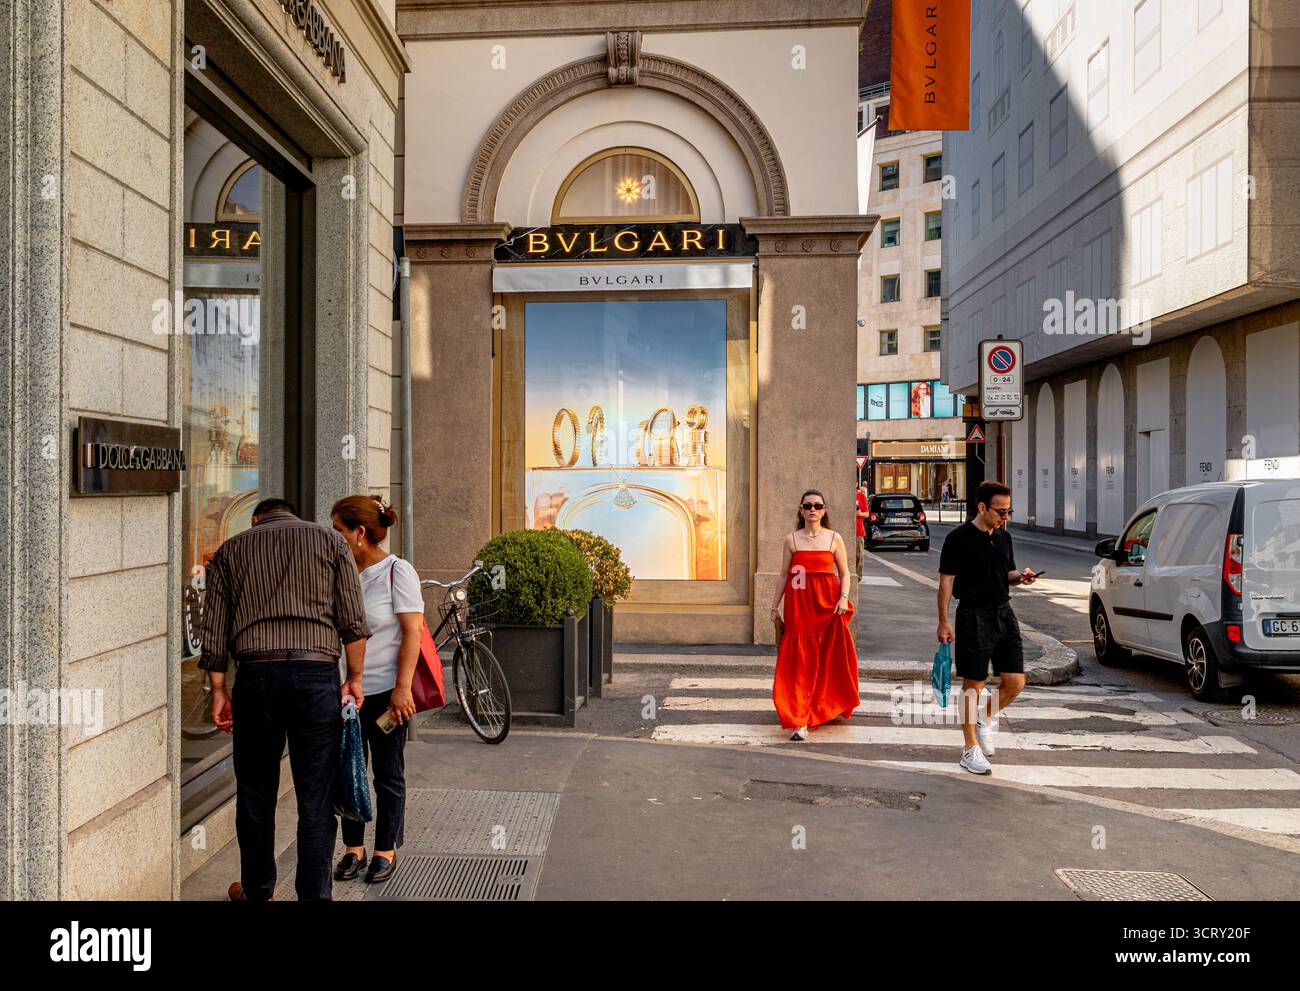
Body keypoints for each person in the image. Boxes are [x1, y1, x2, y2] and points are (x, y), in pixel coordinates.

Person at [201, 497, 370, 901]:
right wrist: (355, 679)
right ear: (293, 514)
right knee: (316, 795)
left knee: (256, 793)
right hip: (315, 676)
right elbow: (352, 621)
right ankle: (314, 896)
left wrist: (220, 691)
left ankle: (259, 890)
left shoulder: (231, 550)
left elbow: (214, 631)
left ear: (256, 520)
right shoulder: (331, 543)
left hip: (256, 676)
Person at [329, 495, 425, 885]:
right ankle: (354, 848)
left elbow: (412, 633)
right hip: (345, 696)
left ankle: (385, 848)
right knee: (348, 770)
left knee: (387, 772)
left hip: (386, 693)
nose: (334, 537)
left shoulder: (396, 572)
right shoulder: (339, 571)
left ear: (360, 533)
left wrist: (403, 689)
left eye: (338, 530)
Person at [936, 480, 1039, 775]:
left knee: (1016, 681)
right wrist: (943, 621)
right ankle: (970, 749)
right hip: (972, 615)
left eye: (1008, 511)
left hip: (1004, 613)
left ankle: (985, 718)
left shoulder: (1004, 538)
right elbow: (946, 583)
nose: (1005, 517)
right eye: (1000, 511)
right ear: (982, 507)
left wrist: (1023, 576)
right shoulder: (959, 539)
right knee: (974, 685)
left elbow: (1006, 573)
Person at [770, 489, 860, 740]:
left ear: (824, 510)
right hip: (799, 608)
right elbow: (783, 575)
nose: (813, 509)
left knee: (828, 658)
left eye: (818, 506)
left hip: (828, 606)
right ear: (800, 510)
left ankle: (822, 705)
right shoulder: (791, 540)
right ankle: (799, 714)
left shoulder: (834, 538)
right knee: (800, 662)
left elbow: (844, 573)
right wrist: (774, 606)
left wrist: (843, 598)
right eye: (808, 505)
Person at [855, 481, 869, 577]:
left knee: (859, 556)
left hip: (858, 531)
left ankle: (858, 577)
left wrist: (860, 514)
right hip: (846, 531)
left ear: (856, 484)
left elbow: (867, 514)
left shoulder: (861, 496)